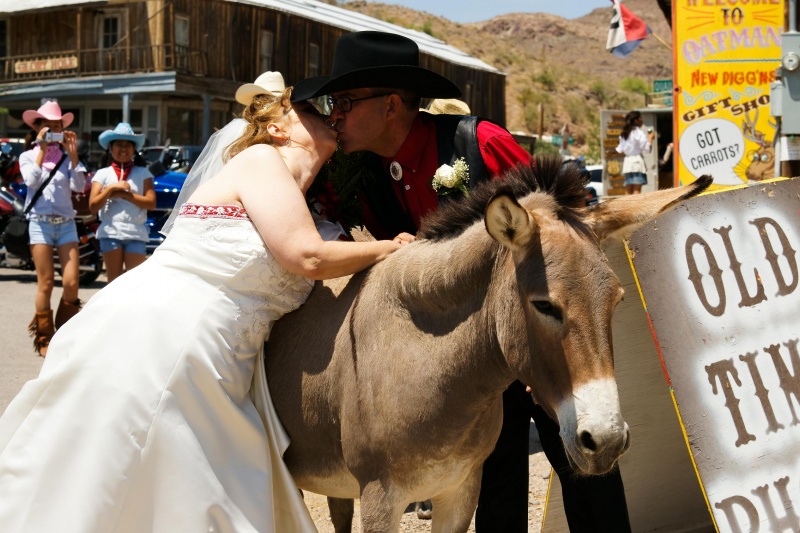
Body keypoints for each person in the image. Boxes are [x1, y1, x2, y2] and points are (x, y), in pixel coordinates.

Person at [0, 87, 407, 532]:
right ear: (276, 128)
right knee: (132, 465)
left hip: (222, 355)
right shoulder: (260, 161)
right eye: (310, 110)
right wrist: (391, 249)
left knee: (173, 481)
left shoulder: (302, 204)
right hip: (167, 334)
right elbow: (305, 258)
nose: (329, 115)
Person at [291, 31, 632, 532]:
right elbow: (306, 214)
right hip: (467, 360)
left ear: (390, 105)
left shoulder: (477, 142)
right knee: (493, 487)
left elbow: (561, 230)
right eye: (331, 104)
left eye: (344, 101)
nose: (334, 114)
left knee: (586, 464)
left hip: (537, 331)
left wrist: (551, 337)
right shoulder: (352, 171)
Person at [18, 101, 86, 357]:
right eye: (48, 125)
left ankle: (64, 334)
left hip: (66, 225)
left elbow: (79, 186)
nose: (53, 129)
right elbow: (31, 181)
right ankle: (44, 337)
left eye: (57, 125)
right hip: (40, 225)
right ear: (38, 127)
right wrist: (41, 149)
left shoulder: (68, 157)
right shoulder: (27, 156)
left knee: (71, 282)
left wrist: (74, 156)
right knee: (45, 283)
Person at [89, 123, 156, 283]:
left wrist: (123, 195)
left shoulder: (143, 173)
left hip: (136, 233)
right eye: (119, 144)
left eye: (128, 144)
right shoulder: (102, 174)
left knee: (134, 284)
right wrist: (111, 188)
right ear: (110, 148)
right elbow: (93, 206)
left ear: (134, 149)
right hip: (110, 233)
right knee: (113, 283)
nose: (123, 148)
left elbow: (151, 203)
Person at [616, 110, 654, 195]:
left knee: (628, 191)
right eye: (641, 118)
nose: (642, 120)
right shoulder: (639, 133)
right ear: (636, 120)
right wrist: (650, 138)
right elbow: (648, 149)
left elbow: (619, 150)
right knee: (636, 191)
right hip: (637, 162)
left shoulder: (624, 133)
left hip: (627, 162)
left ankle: (625, 208)